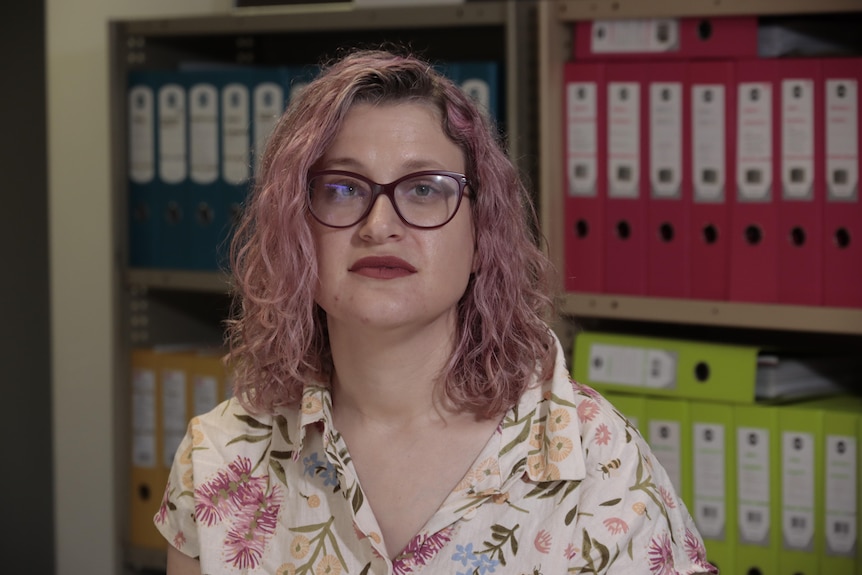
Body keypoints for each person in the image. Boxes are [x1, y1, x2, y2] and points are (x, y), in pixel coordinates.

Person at [155, 48, 717, 575]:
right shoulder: (220, 458)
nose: (379, 225)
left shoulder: (600, 459)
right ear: (296, 231)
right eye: (343, 189)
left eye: (425, 188)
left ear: (482, 236)